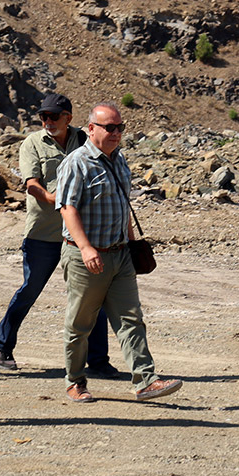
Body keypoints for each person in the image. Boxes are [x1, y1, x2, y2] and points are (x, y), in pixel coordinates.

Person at [54, 102, 182, 403]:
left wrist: (131, 242)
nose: (116, 133)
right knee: (80, 324)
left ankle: (145, 381)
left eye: (120, 127)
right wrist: (86, 248)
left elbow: (122, 205)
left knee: (131, 319)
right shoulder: (77, 162)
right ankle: (75, 381)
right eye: (109, 127)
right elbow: (67, 208)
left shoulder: (119, 159)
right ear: (91, 129)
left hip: (120, 254)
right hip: (86, 258)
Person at [0, 93, 117, 377]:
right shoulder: (32, 144)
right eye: (43, 116)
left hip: (80, 234)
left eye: (53, 116)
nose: (47, 121)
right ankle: (2, 345)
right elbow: (31, 185)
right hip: (43, 233)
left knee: (93, 296)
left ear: (68, 118)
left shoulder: (85, 139)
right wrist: (59, 201)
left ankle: (98, 360)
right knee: (30, 289)